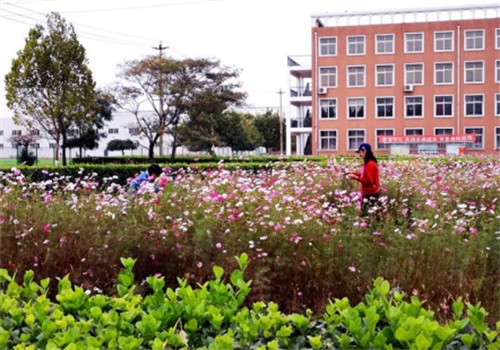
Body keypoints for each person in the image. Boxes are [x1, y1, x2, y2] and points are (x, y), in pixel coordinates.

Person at [346, 143, 380, 216]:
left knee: (367, 216)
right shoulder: (368, 163)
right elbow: (363, 175)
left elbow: (369, 181)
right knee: (368, 216)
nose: (359, 155)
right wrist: (352, 173)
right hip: (368, 193)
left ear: (364, 151)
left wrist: (356, 178)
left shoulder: (370, 164)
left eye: (360, 152)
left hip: (370, 194)